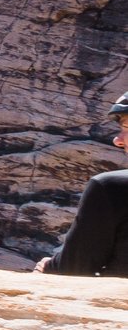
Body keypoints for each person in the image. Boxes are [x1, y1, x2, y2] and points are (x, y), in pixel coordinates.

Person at [39, 90, 128, 277]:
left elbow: (73, 269)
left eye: (127, 127)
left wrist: (48, 267)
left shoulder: (112, 187)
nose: (118, 140)